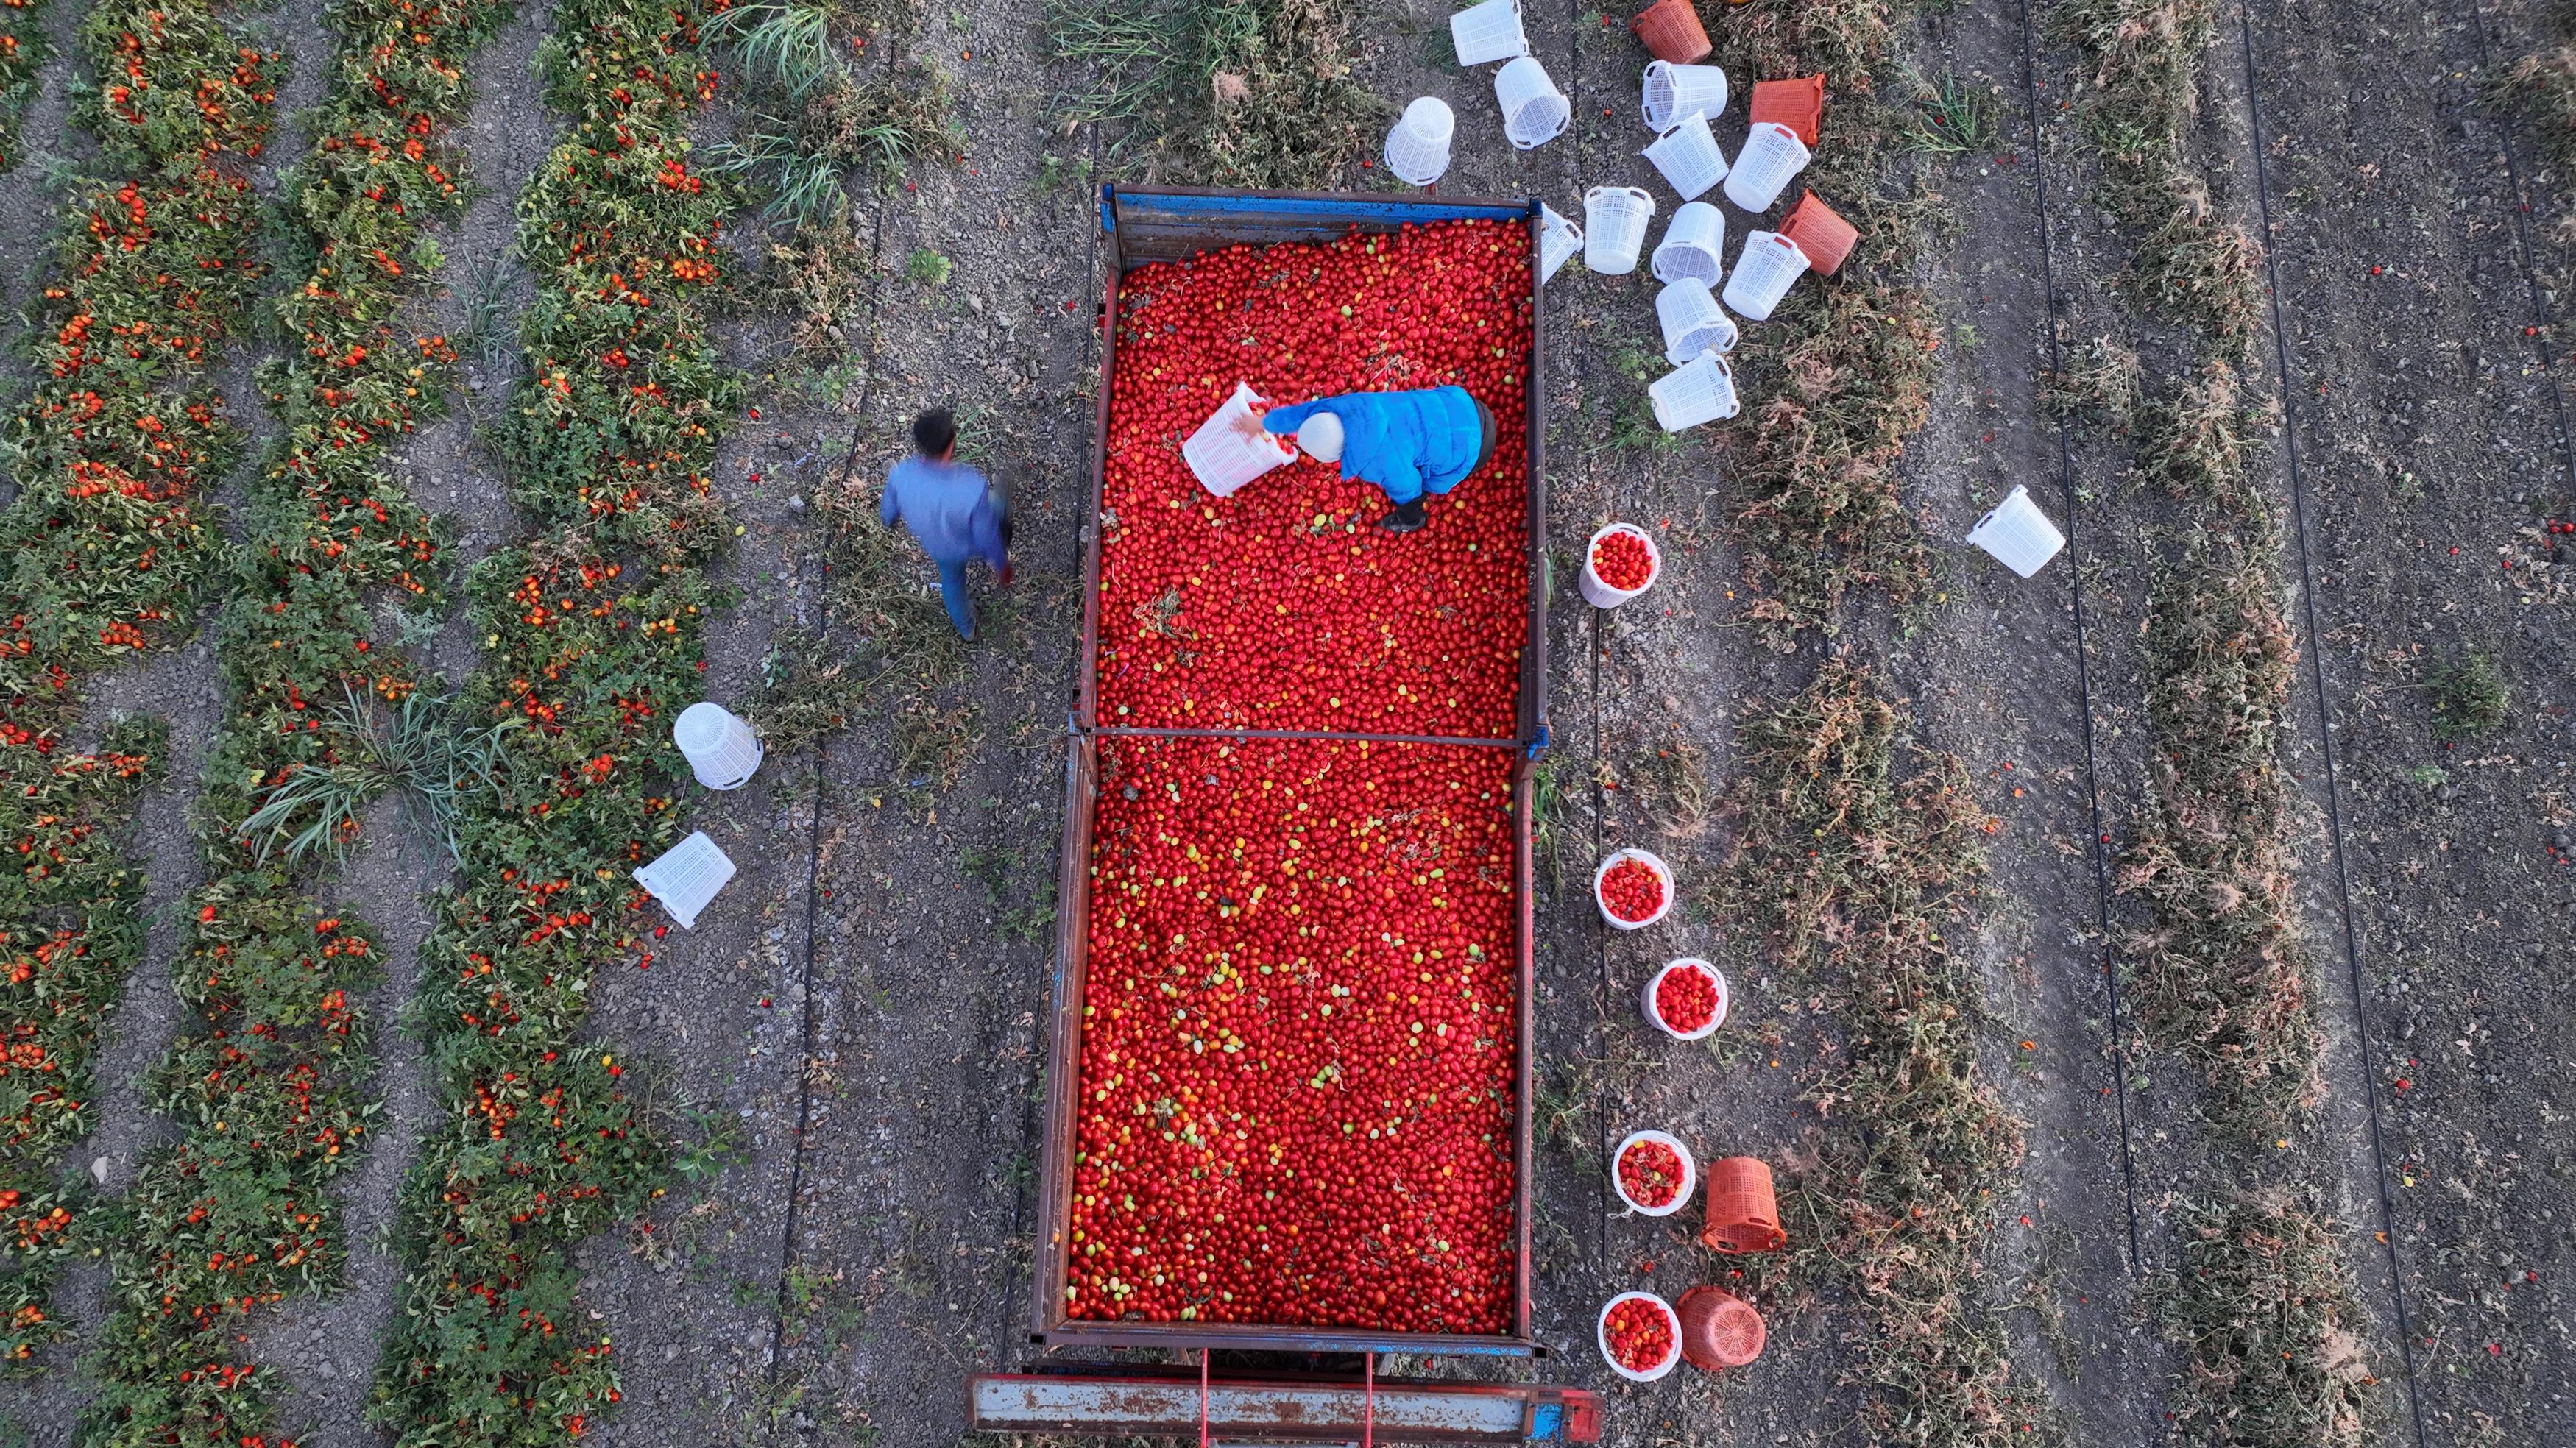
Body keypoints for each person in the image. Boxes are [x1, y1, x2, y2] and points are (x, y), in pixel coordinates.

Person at [1259, 386, 1496, 534]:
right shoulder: (1349, 406)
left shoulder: (1374, 460)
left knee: (1429, 483)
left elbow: (1408, 484)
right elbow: (1306, 413)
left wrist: (1409, 509)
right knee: (1420, 424)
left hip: (1474, 447)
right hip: (1461, 403)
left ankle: (1412, 522)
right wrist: (1265, 423)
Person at [880, 408, 1011, 640]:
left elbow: (888, 513)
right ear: (951, 444)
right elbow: (986, 535)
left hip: (938, 547)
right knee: (998, 503)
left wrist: (888, 522)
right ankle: (1006, 523)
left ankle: (967, 629)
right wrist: (1002, 564)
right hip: (967, 544)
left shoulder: (901, 476)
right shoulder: (970, 487)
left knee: (952, 583)